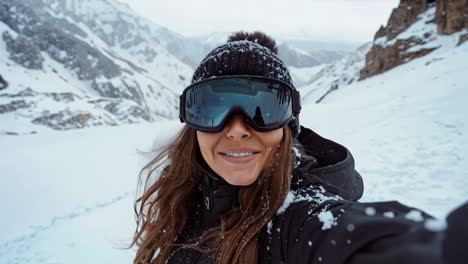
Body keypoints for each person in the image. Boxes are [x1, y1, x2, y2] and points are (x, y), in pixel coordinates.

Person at [131, 31, 467, 264]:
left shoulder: (302, 221)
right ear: (192, 125)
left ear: (289, 126)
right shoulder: (182, 199)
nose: (236, 129)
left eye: (264, 109)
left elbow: (360, 241)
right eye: (211, 108)